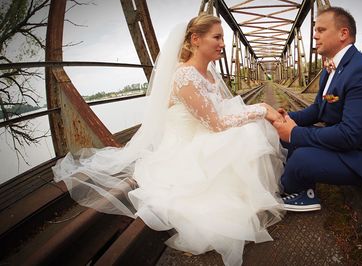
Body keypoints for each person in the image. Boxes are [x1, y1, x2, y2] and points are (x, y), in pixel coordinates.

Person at [53, 14, 286, 266]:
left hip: (204, 132)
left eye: (223, 38)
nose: (222, 44)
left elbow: (220, 110)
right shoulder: (184, 77)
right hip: (187, 146)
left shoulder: (208, 73)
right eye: (217, 37)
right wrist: (261, 109)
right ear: (196, 39)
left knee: (249, 128)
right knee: (249, 131)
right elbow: (217, 124)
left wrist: (257, 110)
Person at [272, 7, 362, 212]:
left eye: (321, 30)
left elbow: (350, 135)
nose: (315, 36)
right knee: (285, 139)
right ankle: (301, 186)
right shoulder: (331, 69)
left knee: (299, 155)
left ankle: (299, 193)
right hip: (345, 146)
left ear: (343, 34)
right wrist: (287, 118)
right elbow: (319, 109)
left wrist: (295, 132)